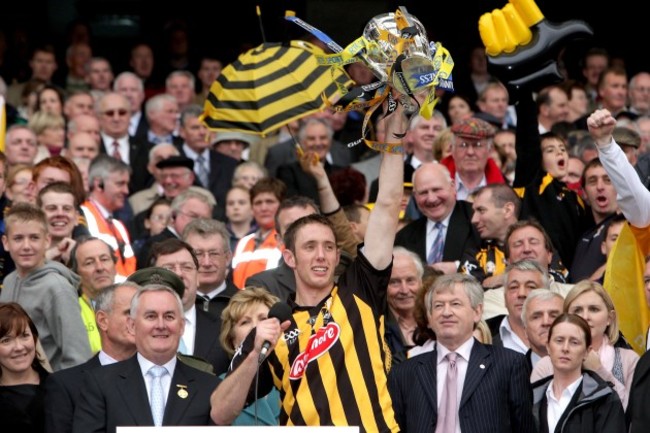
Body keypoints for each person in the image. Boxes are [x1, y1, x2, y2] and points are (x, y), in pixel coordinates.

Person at [210, 95, 406, 430]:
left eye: (329, 247)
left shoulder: (359, 290)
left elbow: (387, 206)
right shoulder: (275, 326)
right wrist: (255, 352)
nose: (321, 255)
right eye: (310, 246)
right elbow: (219, 413)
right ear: (289, 257)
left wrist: (397, 125)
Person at [388, 273, 535, 433]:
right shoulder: (404, 373)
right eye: (438, 306)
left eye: (455, 304)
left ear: (477, 312)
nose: (446, 312)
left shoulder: (509, 364)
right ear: (429, 318)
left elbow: (524, 428)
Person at [72, 285, 222, 432]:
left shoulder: (209, 386)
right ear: (132, 325)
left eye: (169, 316)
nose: (161, 325)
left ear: (181, 326)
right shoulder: (100, 383)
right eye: (151, 316)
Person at [0, 203, 91, 371]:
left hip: (48, 390)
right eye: (18, 238)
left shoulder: (57, 288)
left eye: (34, 237)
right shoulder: (9, 281)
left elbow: (78, 356)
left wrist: (56, 393)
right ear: (6, 242)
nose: (26, 246)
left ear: (47, 240)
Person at [44, 281, 139, 433]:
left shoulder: (164, 376)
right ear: (102, 320)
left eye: (146, 314)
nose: (139, 320)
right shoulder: (66, 385)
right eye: (130, 312)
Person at [531, 281, 639, 409]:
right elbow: (535, 417)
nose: (585, 317)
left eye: (594, 309)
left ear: (610, 318)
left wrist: (599, 371)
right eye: (577, 310)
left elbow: (631, 414)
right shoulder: (546, 366)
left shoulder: (629, 360)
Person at [531, 313, 626, 433]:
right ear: (548, 347)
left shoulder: (605, 398)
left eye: (574, 342)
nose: (565, 348)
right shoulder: (531, 397)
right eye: (559, 340)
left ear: (587, 351)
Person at [218, 287, 281, 426]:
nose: (256, 328)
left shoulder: (295, 378)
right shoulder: (218, 388)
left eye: (263, 319)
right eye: (245, 322)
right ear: (232, 340)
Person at [0, 302, 51, 433]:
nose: (19, 347)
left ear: (34, 338)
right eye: (6, 340)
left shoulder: (62, 389)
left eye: (24, 336)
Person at [182, 218, 238, 321]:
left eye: (214, 253)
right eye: (198, 254)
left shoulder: (244, 304)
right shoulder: (172, 303)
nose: (206, 263)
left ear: (228, 258)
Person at [522, 289, 564, 369]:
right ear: (525, 330)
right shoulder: (510, 374)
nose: (546, 322)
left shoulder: (586, 371)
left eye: (554, 316)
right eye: (536, 317)